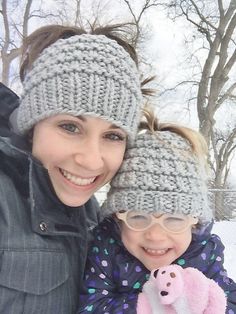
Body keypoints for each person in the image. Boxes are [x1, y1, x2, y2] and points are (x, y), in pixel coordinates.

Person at [0, 23, 145, 313]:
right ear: (32, 125)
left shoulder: (97, 217)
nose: (91, 161)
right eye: (70, 127)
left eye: (113, 136)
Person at [78, 108, 236, 313]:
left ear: (194, 222)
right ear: (118, 219)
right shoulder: (107, 251)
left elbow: (229, 299)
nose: (155, 235)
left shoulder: (204, 254)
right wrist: (152, 305)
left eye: (174, 219)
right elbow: (90, 306)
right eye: (138, 217)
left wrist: (208, 302)